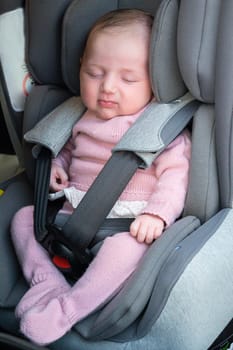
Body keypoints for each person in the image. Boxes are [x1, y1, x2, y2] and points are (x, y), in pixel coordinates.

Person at [11, 8, 191, 345]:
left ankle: (69, 308)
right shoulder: (76, 114)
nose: (108, 87)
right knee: (21, 219)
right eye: (94, 73)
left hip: (128, 224)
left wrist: (157, 213)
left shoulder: (161, 128)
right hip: (70, 215)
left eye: (128, 78)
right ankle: (46, 279)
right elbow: (64, 150)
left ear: (154, 80)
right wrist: (57, 169)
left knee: (128, 251)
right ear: (80, 66)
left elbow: (176, 176)